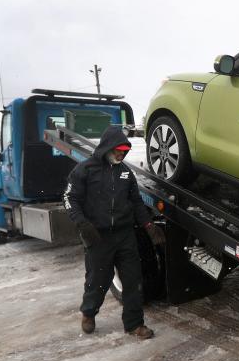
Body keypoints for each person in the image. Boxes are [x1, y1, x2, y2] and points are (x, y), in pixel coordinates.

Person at [63, 125, 164, 339]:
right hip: (97, 236)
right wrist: (83, 224)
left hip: (125, 234)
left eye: (124, 150)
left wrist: (148, 226)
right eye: (118, 149)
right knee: (97, 279)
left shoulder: (126, 173)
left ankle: (135, 324)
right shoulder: (85, 170)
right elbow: (69, 199)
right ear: (107, 147)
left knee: (133, 280)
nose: (121, 153)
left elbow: (136, 202)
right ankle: (89, 312)